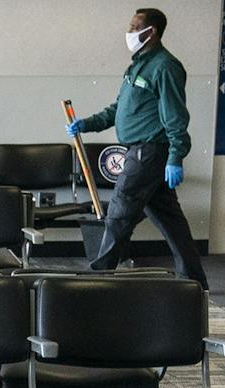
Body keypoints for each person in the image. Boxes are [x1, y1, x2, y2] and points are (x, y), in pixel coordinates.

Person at [66, 8, 208, 287]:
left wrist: (176, 157)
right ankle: (194, 281)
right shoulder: (138, 64)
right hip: (142, 151)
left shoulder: (165, 67)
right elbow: (119, 108)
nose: (129, 32)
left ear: (151, 31)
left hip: (149, 152)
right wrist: (87, 124)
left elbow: (176, 116)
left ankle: (97, 277)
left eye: (135, 26)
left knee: (119, 211)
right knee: (170, 221)